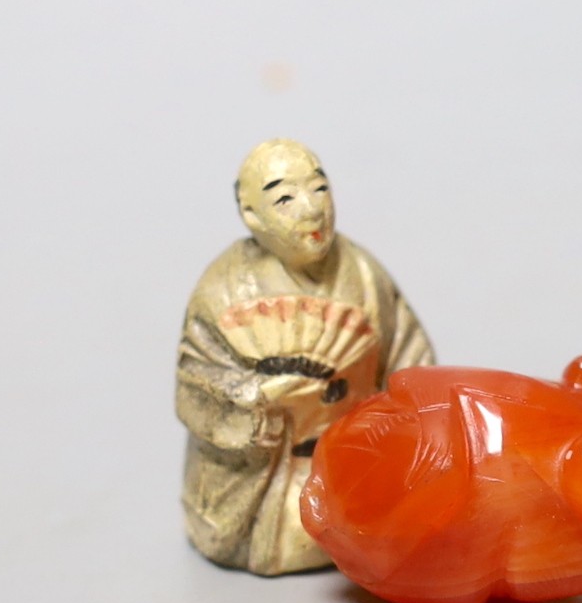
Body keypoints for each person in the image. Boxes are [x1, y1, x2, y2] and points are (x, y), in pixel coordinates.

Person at [176, 140, 436, 575]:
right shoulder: (223, 287)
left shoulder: (365, 274)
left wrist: (394, 427)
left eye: (319, 188)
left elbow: (411, 364)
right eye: (284, 198)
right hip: (257, 482)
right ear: (251, 216)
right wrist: (259, 396)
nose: (312, 209)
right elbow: (194, 383)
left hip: (348, 465)